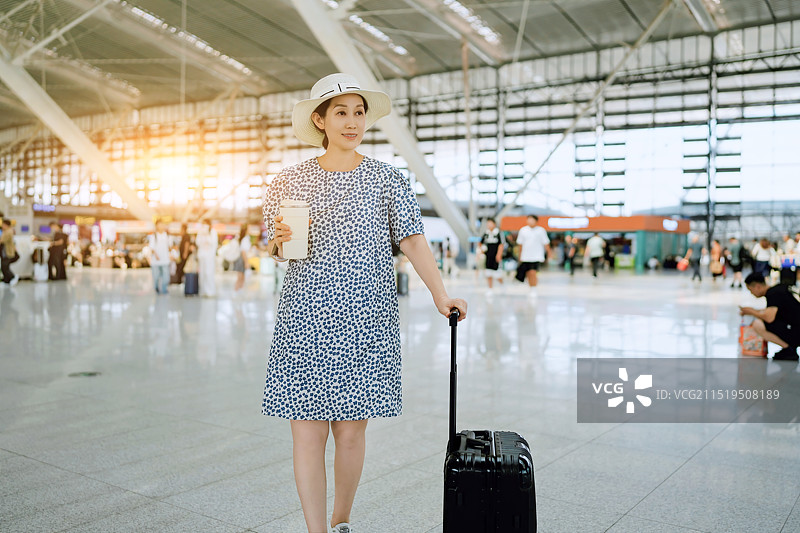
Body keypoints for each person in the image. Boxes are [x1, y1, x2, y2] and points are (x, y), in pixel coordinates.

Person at [261, 73, 467, 533]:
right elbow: (275, 248)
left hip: (365, 317)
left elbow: (412, 241)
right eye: (341, 112)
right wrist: (277, 242)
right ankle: (316, 531)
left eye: (359, 112)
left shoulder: (388, 179)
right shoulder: (289, 181)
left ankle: (341, 520)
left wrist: (440, 294)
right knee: (307, 433)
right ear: (320, 120)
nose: (353, 122)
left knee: (351, 432)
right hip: (304, 317)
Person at [740, 272, 800, 361]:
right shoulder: (778, 289)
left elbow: (769, 318)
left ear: (757, 286)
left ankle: (789, 349)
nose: (751, 293)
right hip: (795, 327)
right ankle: (789, 348)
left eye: (750, 290)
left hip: (796, 331)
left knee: (758, 324)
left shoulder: (773, 294)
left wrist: (751, 311)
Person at [515, 214, 551, 298]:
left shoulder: (541, 230)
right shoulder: (523, 230)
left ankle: (534, 288)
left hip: (536, 256)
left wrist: (549, 254)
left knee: (533, 272)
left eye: (532, 219)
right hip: (525, 256)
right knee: (528, 273)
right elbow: (520, 244)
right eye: (528, 219)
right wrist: (519, 256)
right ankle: (531, 287)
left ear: (536, 221)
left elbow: (546, 243)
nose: (530, 221)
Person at [480, 218, 505, 292]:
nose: (489, 225)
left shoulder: (498, 233)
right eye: (488, 223)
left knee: (497, 274)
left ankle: (502, 284)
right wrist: (481, 250)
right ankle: (490, 288)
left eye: (490, 223)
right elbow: (480, 242)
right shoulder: (486, 233)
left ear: (494, 224)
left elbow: (501, 244)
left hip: (495, 256)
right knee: (488, 273)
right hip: (488, 256)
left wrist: (499, 254)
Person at [148, 219, 170, 295]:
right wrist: (156, 256)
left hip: (165, 260)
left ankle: (164, 289)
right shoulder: (154, 236)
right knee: (156, 276)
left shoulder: (166, 235)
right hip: (156, 261)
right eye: (160, 224)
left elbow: (169, 247)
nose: (161, 226)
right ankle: (156, 287)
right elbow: (152, 248)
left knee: (166, 276)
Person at [196, 220, 218, 297]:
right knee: (202, 274)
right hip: (202, 256)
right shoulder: (200, 232)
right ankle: (203, 291)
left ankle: (210, 291)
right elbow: (198, 242)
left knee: (209, 273)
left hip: (209, 256)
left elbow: (214, 243)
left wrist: (207, 235)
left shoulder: (213, 232)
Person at [0, 219, 19, 286]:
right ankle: (6, 281)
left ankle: (13, 277)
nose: (2, 226)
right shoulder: (6, 231)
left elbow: (2, 241)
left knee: (4, 267)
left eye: (3, 224)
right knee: (5, 266)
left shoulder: (8, 231)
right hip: (4, 252)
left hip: (8, 252)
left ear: (6, 225)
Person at [233, 224, 251, 292]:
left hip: (242, 259)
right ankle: (236, 291)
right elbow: (243, 252)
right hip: (242, 259)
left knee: (241, 277)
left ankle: (239, 291)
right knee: (240, 277)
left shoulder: (244, 238)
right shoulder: (245, 239)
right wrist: (246, 262)